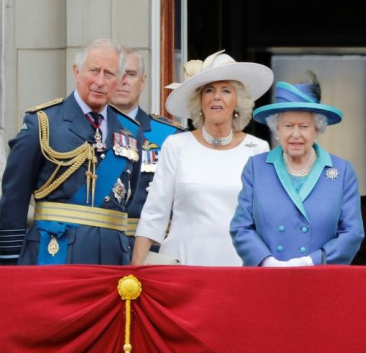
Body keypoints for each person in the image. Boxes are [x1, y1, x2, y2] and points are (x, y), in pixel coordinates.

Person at [0, 38, 142, 265]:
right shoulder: (43, 122)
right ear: (76, 72)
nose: (100, 81)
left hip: (112, 259)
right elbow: (14, 199)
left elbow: (131, 200)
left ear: (119, 80)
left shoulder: (130, 132)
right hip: (55, 253)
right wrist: (9, 262)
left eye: (109, 74)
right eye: (94, 71)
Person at [130, 50, 273, 266]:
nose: (217, 96)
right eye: (209, 90)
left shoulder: (257, 149)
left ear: (237, 102)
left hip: (237, 267)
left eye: (226, 90)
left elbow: (265, 219)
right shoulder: (176, 145)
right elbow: (154, 213)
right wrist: (135, 271)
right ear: (200, 101)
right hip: (183, 265)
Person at [230, 73, 364, 266]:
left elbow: (352, 233)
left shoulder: (342, 172)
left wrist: (311, 261)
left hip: (319, 278)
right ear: (277, 129)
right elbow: (241, 227)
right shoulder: (256, 168)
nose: (295, 134)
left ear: (317, 130)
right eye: (288, 125)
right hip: (267, 279)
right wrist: (267, 262)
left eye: (304, 126)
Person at [110, 47, 185, 249]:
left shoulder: (171, 136)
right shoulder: (87, 130)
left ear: (142, 82)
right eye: (116, 73)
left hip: (154, 247)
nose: (123, 80)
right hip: (100, 245)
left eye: (131, 74)